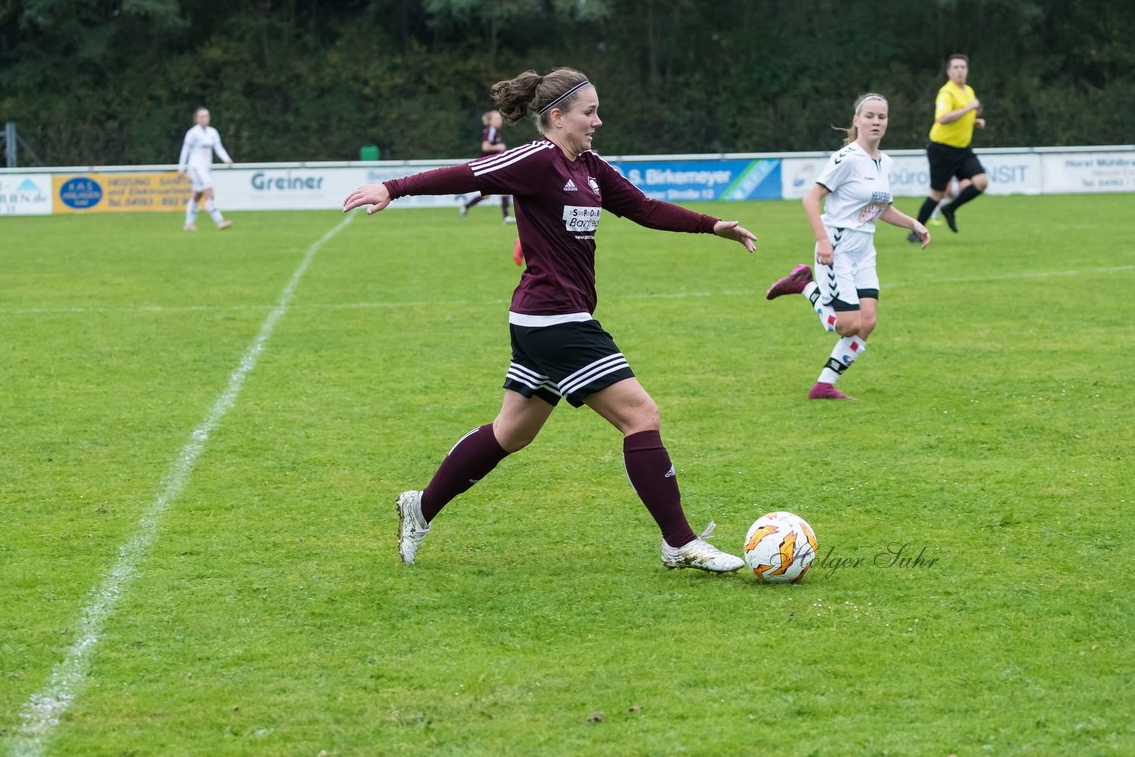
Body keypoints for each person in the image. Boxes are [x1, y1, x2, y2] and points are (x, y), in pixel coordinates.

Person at [343, 67, 759, 573]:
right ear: (557, 116)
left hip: (550, 319)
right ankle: (680, 543)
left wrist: (712, 226)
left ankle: (420, 507)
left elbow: (644, 208)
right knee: (641, 416)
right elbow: (467, 173)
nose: (598, 121)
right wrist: (392, 186)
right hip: (553, 320)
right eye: (589, 112)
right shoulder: (537, 160)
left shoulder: (589, 167)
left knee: (511, 432)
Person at [765, 94, 930, 400]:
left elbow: (883, 209)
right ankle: (804, 286)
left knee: (867, 322)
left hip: (864, 248)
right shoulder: (846, 159)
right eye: (869, 116)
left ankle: (824, 385)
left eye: (882, 116)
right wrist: (823, 241)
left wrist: (913, 224)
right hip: (837, 245)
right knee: (846, 325)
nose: (876, 121)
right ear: (857, 121)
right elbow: (810, 199)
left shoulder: (886, 162)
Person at [911, 54, 987, 239]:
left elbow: (964, 114)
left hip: (963, 149)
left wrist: (975, 121)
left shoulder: (968, 90)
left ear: (967, 70)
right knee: (937, 193)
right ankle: (915, 232)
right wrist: (969, 109)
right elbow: (943, 118)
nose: (960, 70)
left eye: (963, 67)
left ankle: (950, 209)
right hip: (942, 149)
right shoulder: (946, 92)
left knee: (981, 182)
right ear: (949, 71)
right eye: (956, 67)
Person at [177, 107, 234, 231]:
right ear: (196, 119)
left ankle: (188, 224)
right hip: (195, 168)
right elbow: (185, 151)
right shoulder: (192, 133)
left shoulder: (212, 132)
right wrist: (181, 168)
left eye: (206, 116)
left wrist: (226, 159)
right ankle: (219, 221)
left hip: (206, 169)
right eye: (202, 116)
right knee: (209, 190)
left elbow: (218, 147)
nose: (205, 119)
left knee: (197, 195)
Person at [459, 110, 516, 223]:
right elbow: (485, 147)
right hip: (489, 167)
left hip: (490, 167)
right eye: (497, 118)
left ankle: (466, 205)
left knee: (488, 194)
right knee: (505, 189)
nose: (500, 120)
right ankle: (505, 217)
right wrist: (499, 147)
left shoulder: (493, 131)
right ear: (491, 121)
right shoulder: (491, 130)